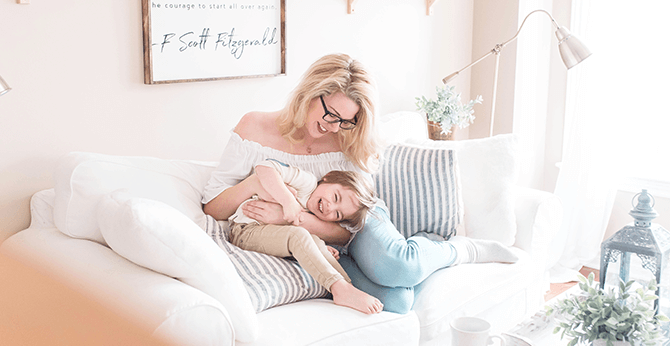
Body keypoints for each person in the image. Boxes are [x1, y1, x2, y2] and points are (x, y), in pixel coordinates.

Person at [202, 53, 517, 314]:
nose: (332, 127)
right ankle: (420, 250)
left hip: (355, 215)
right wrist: (259, 183)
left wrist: (295, 216)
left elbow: (348, 226)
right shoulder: (254, 127)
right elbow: (212, 206)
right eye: (330, 114)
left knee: (398, 267)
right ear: (310, 93)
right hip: (311, 237)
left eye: (345, 121)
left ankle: (456, 250)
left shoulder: (346, 139)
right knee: (396, 302)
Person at [228, 158, 382, 314]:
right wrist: (288, 201)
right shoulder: (306, 183)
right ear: (328, 177)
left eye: (337, 214)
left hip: (269, 236)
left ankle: (346, 287)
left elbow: (292, 236)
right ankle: (338, 288)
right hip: (245, 230)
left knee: (315, 241)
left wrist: (318, 248)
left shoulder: (315, 214)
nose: (330, 207)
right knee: (299, 235)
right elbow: (264, 167)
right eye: (336, 197)